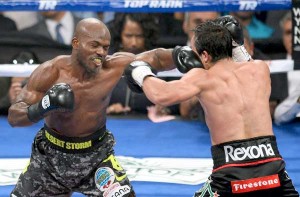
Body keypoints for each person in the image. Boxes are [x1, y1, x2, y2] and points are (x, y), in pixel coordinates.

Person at [124, 17, 299, 196]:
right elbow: (243, 59)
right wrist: (235, 43)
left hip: (230, 175)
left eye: (196, 53)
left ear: (205, 55)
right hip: (272, 171)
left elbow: (162, 95)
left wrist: (140, 72)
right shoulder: (259, 69)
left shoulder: (202, 78)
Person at [8, 18, 180, 197]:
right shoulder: (51, 72)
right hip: (49, 160)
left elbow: (155, 58)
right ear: (76, 43)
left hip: (97, 158)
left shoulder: (113, 67)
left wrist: (180, 54)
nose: (101, 53)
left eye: (105, 47)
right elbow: (14, 117)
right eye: (95, 45)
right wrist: (42, 107)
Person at [106, 13, 160, 115]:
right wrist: (107, 110)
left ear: (147, 35)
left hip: (151, 124)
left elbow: (175, 101)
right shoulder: (108, 62)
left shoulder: (158, 61)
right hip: (115, 122)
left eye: (139, 36)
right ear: (119, 35)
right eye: (128, 36)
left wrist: (164, 108)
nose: (134, 42)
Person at [273, 11, 300, 125]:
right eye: (289, 33)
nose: (294, 39)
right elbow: (278, 116)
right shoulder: (275, 67)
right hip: (289, 125)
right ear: (282, 36)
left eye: (297, 33)